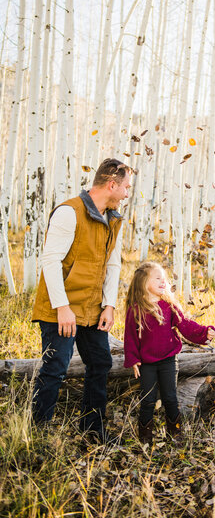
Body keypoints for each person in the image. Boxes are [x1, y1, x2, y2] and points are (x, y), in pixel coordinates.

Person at [31, 158, 131, 444]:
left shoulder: (114, 218)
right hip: (60, 306)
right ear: (111, 184)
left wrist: (109, 305)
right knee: (56, 368)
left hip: (92, 308)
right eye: (125, 187)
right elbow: (50, 261)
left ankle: (92, 431)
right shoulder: (69, 212)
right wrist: (62, 308)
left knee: (100, 362)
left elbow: (113, 265)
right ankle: (37, 435)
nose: (126, 193)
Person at [123, 261, 215, 445]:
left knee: (170, 397)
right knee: (148, 399)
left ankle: (175, 432)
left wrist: (204, 333)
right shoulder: (136, 309)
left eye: (164, 279)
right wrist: (133, 359)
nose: (163, 281)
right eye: (158, 278)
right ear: (143, 282)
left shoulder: (168, 305)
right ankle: (145, 436)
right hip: (146, 363)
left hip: (168, 360)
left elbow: (186, 325)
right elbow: (130, 336)